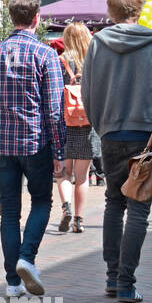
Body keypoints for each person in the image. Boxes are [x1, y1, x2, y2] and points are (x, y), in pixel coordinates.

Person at [83, 0, 152, 303]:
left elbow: (88, 92)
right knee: (139, 208)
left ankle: (112, 276)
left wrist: (101, 124)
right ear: (140, 9)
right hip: (146, 136)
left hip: (110, 133)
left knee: (113, 201)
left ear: (110, 10)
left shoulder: (97, 43)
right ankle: (126, 282)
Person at [0, 0, 64, 298]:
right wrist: (59, 151)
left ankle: (12, 282)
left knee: (9, 211)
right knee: (41, 202)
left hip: (2, 143)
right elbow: (53, 109)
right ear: (37, 18)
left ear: (11, 17)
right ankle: (27, 258)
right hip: (35, 142)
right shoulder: (46, 55)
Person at [56, 23, 94, 234]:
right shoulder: (93, 63)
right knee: (82, 176)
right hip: (87, 126)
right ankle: (79, 219)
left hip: (63, 124)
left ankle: (66, 207)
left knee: (63, 173)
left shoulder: (60, 61)